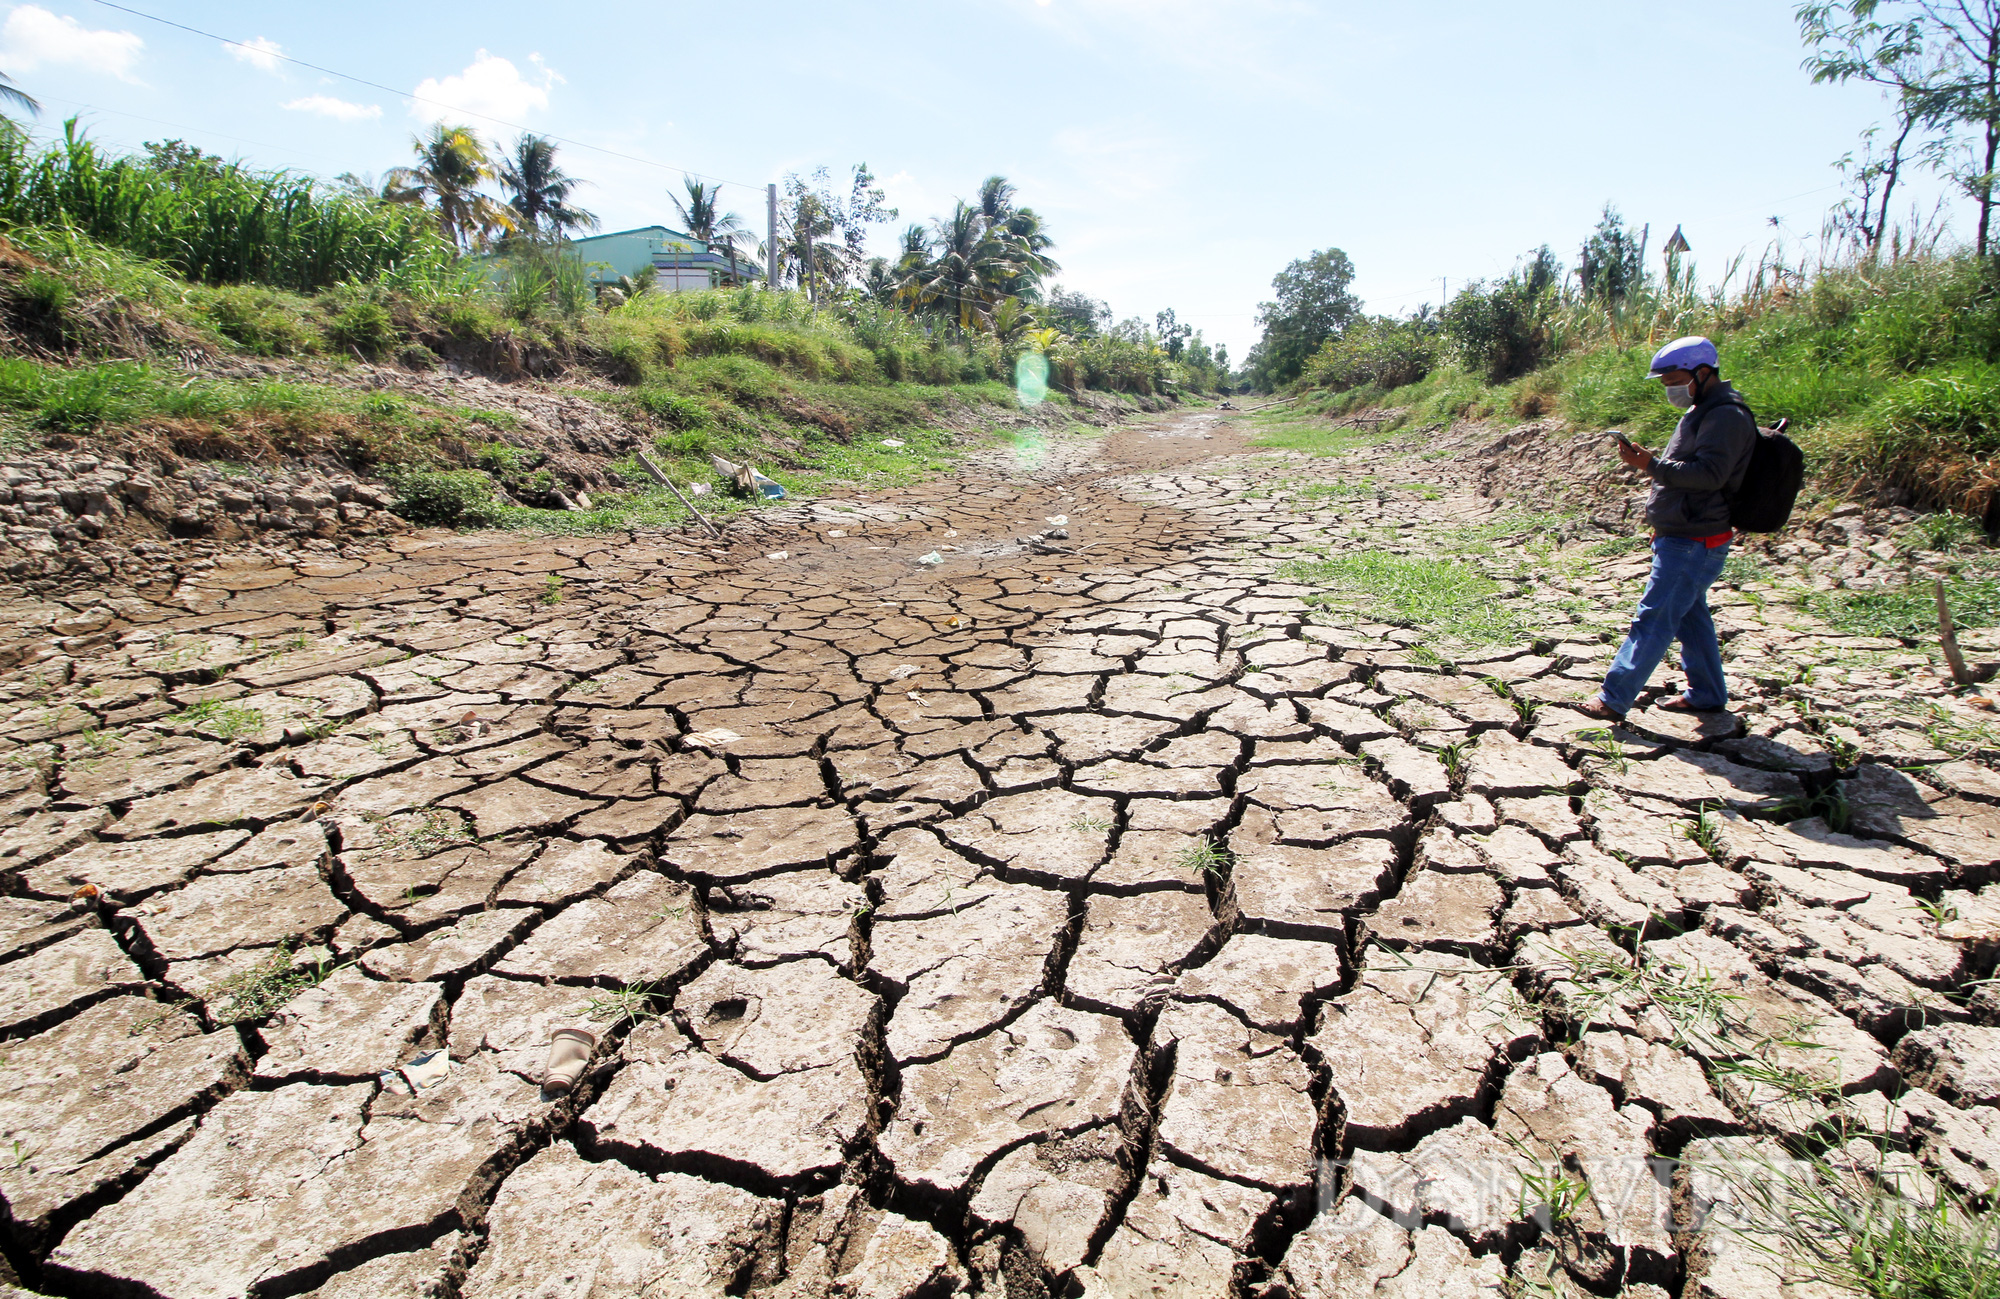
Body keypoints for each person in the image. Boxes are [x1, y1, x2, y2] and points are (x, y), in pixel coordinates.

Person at [1577, 335, 1756, 723]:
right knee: (1692, 618)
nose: (1669, 389)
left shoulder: (1725, 415)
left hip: (1696, 540)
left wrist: (1651, 465)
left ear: (1703, 372)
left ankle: (1613, 698)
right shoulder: (1702, 410)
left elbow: (1709, 475)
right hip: (1684, 536)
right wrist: (1664, 523)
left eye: (1674, 379)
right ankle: (1707, 695)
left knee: (1654, 618)